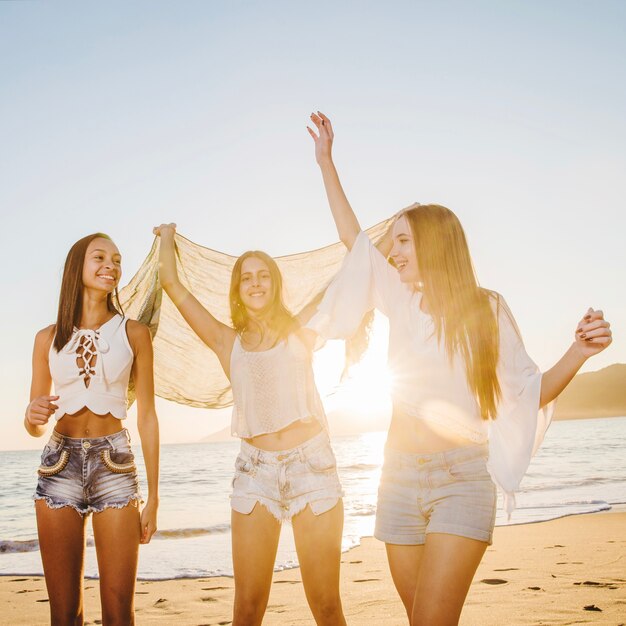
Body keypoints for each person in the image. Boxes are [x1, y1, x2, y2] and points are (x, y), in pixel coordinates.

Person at [307, 111, 613, 626]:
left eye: (404, 239)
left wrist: (579, 352)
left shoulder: (486, 309)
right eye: (395, 240)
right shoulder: (397, 298)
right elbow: (353, 240)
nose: (393, 250)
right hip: (397, 478)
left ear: (434, 243)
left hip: (462, 481)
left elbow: (529, 391)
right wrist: (325, 162)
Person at [153, 223, 346, 626]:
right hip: (254, 473)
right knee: (246, 609)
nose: (255, 283)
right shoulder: (227, 342)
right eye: (247, 277)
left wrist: (382, 236)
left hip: (311, 468)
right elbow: (171, 284)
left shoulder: (301, 328)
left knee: (326, 605)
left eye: (263, 276)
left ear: (275, 285)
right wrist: (167, 237)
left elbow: (345, 274)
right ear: (237, 289)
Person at [25, 233, 160, 626]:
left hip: (114, 466)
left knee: (120, 614)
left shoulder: (134, 333)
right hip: (58, 465)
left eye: (117, 260)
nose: (111, 266)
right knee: (64, 615)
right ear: (77, 268)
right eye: (100, 257)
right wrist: (31, 415)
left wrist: (153, 496)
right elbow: (35, 423)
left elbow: (147, 416)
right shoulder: (46, 338)